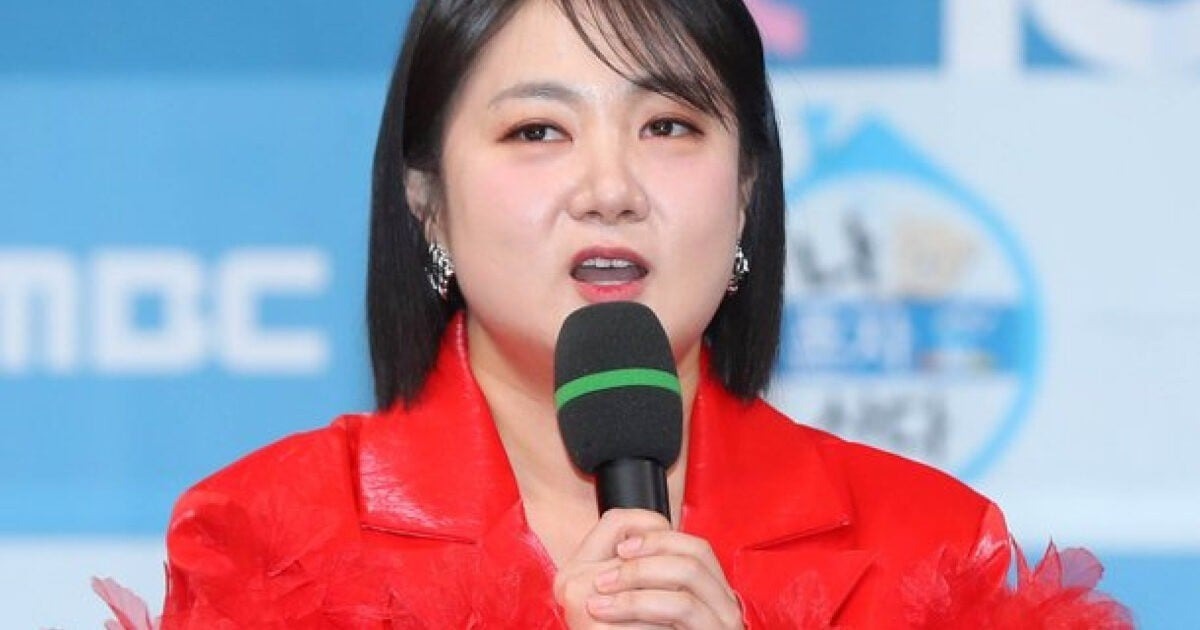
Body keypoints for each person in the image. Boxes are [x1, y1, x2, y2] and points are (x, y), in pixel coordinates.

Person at [152, 1, 1130, 628]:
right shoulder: (267, 540)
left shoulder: (928, 548)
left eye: (667, 125)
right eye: (537, 130)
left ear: (746, 192)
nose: (610, 189)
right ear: (427, 202)